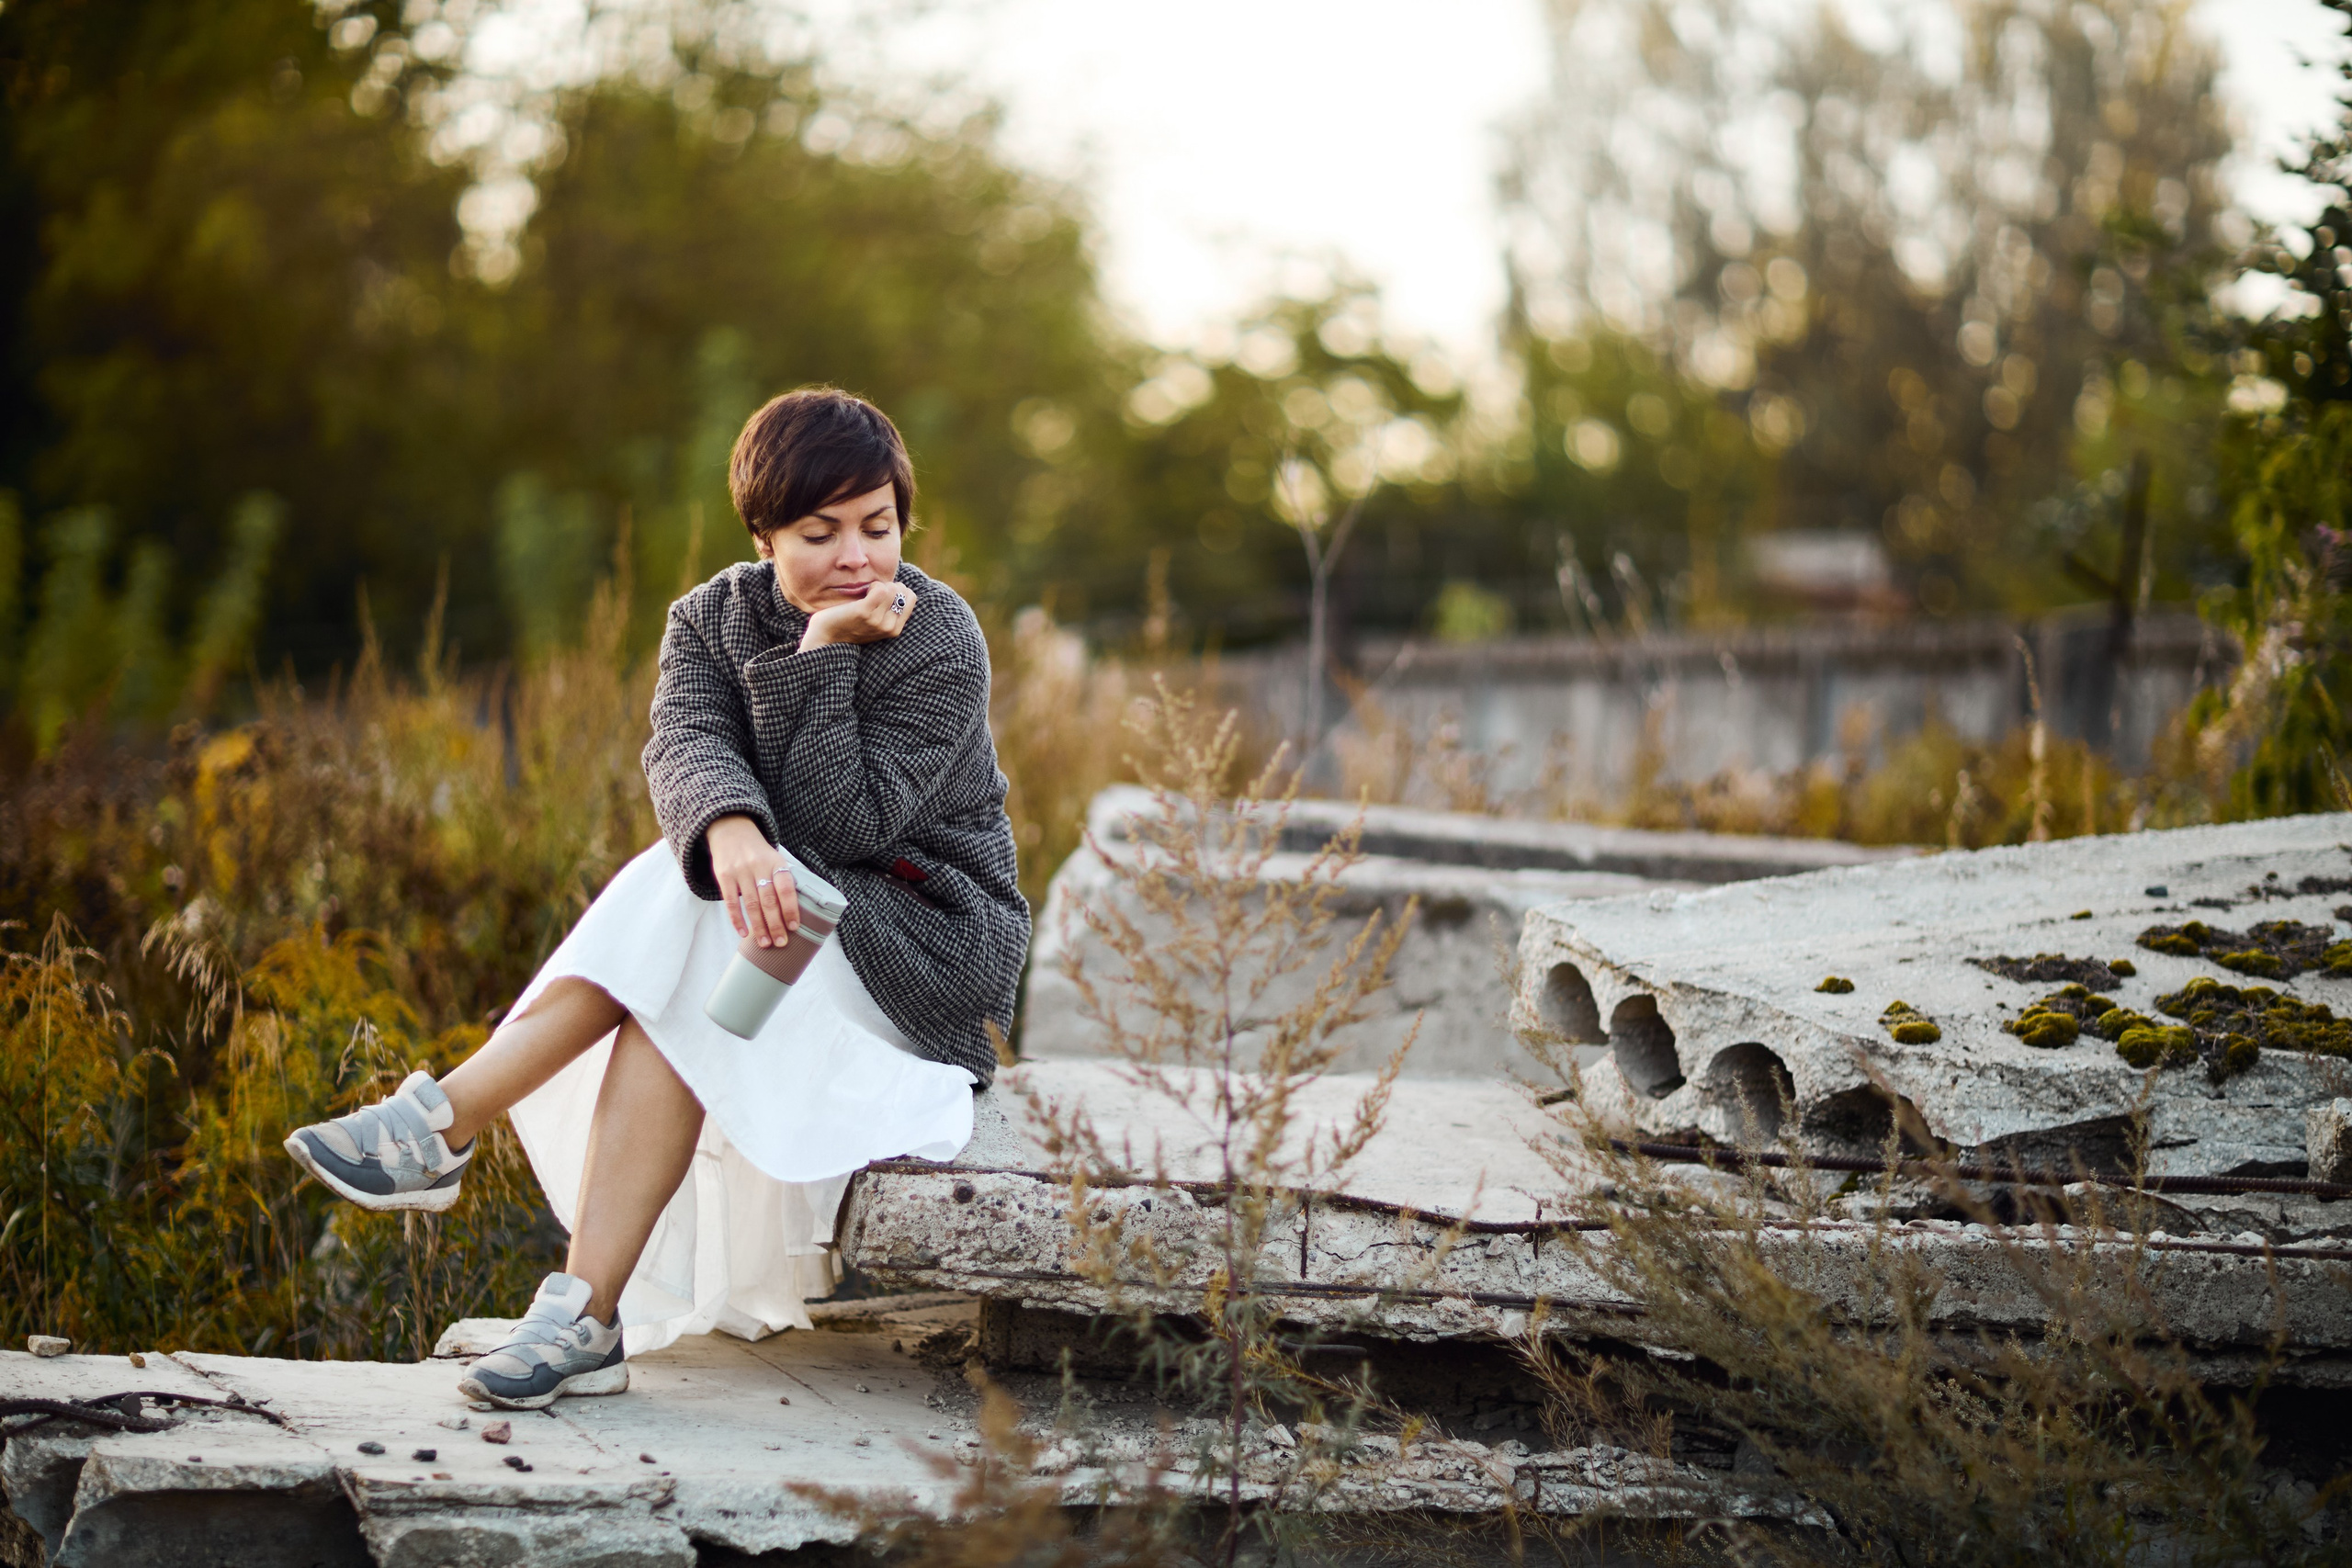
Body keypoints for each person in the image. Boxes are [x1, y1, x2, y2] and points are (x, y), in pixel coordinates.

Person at [283, 388, 1027, 1409]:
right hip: (777, 943)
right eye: (820, 532)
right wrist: (730, 835)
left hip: (923, 945)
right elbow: (684, 746)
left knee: (691, 906)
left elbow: (851, 826)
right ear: (763, 533)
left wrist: (822, 657)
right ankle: (579, 1316)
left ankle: (444, 1125)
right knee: (684, 966)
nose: (857, 557)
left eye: (878, 526)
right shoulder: (710, 620)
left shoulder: (935, 636)